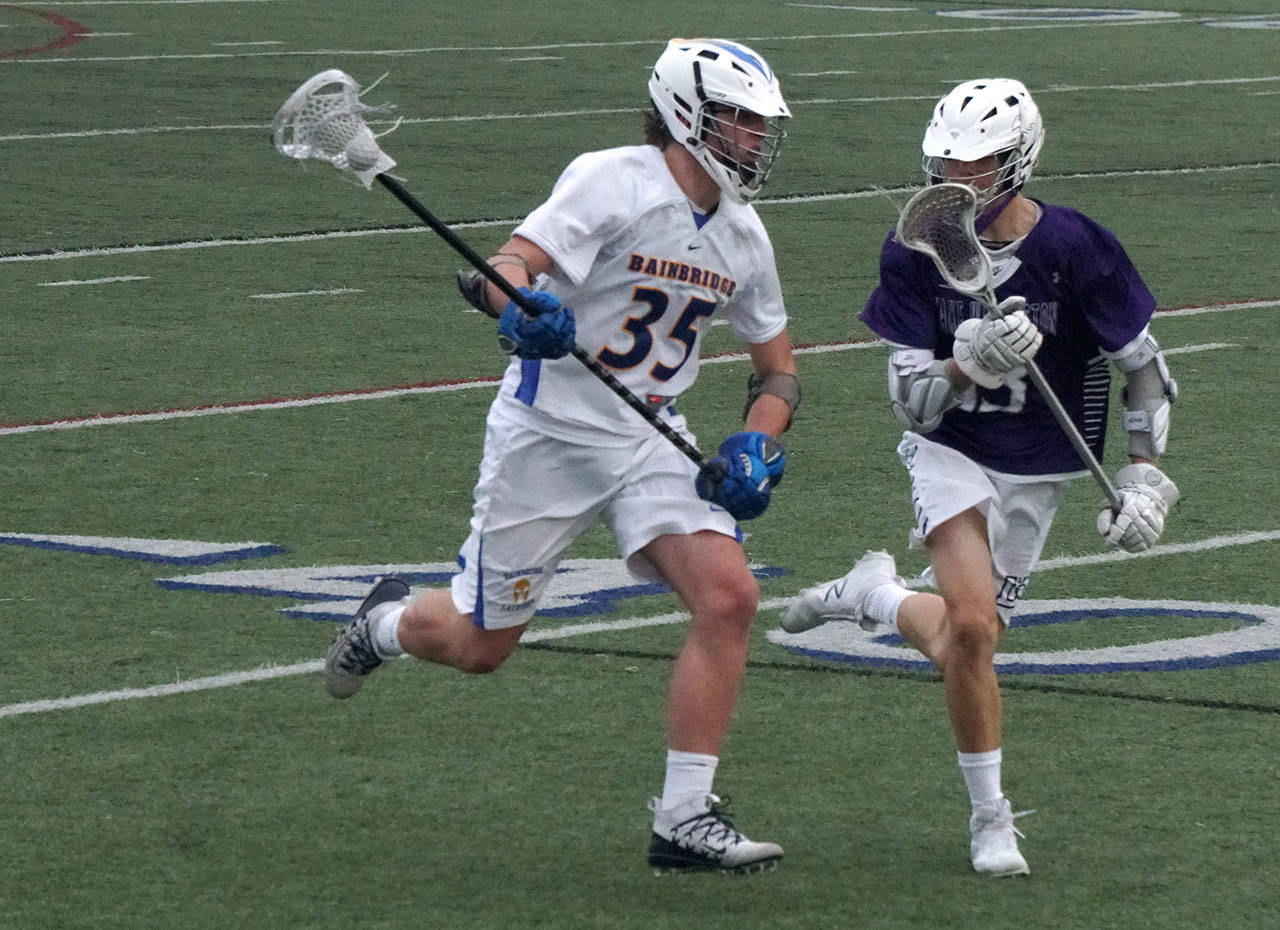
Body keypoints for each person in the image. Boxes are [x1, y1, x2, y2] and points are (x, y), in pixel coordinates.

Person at [324, 38, 801, 875]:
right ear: (689, 115)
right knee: (479, 646)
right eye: (741, 121)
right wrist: (516, 311)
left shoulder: (744, 236)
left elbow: (779, 371)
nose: (755, 141)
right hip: (550, 433)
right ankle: (385, 623)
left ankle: (684, 816)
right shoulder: (612, 179)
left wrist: (758, 442)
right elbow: (505, 266)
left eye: (762, 126)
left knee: (729, 597)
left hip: (652, 430)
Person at [783, 78, 1179, 876]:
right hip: (953, 451)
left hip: (1043, 466)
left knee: (973, 641)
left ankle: (876, 595)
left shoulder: (1075, 247)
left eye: (980, 164)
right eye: (949, 164)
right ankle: (990, 816)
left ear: (1019, 160)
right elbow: (911, 406)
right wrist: (966, 364)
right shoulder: (914, 251)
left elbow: (1145, 374)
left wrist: (1143, 479)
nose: (959, 181)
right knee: (970, 628)